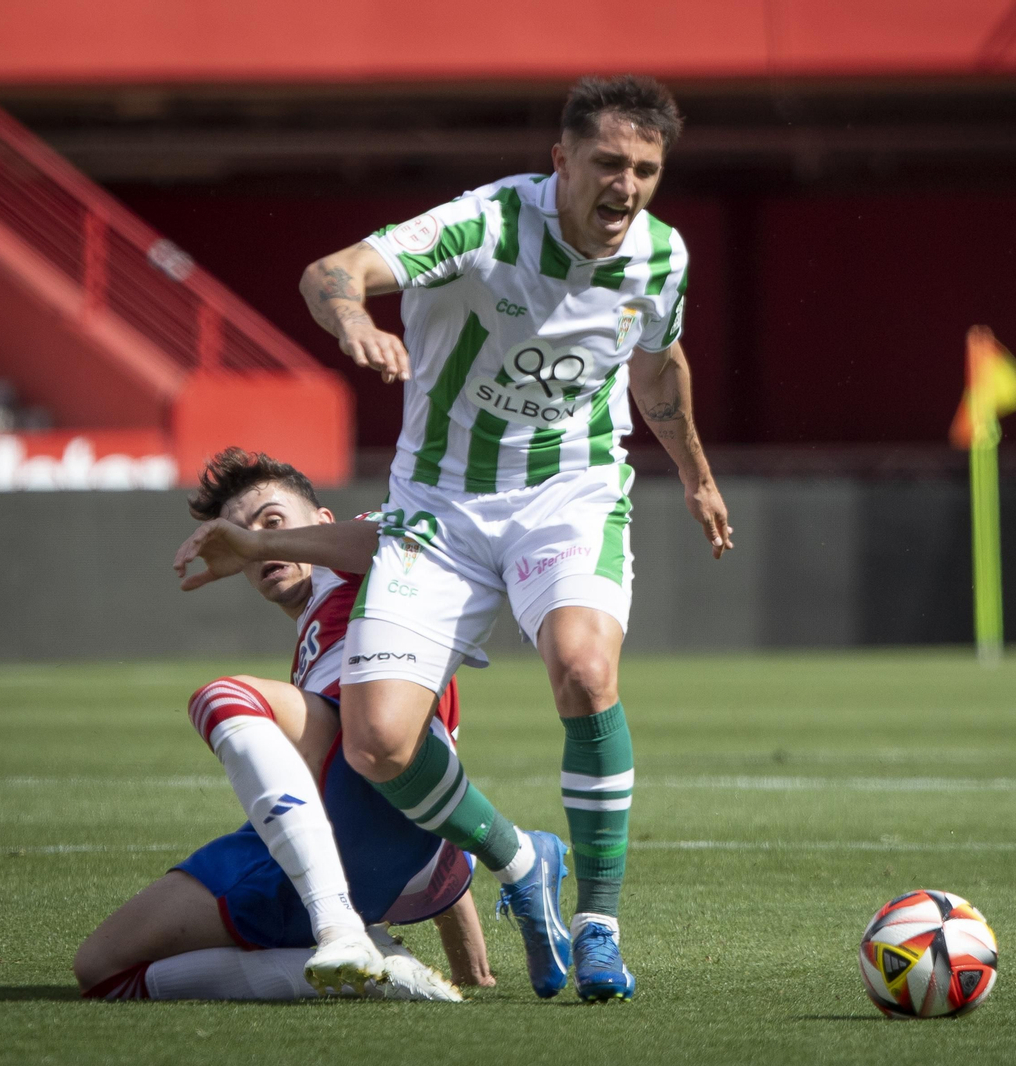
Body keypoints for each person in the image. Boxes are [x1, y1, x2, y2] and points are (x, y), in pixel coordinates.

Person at [196, 74, 729, 1003]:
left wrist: (694, 470)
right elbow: (331, 271)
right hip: (437, 509)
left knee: (584, 669)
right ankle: (524, 863)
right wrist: (356, 317)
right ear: (560, 161)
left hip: (569, 493)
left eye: (646, 169)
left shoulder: (660, 256)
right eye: (607, 163)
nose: (627, 185)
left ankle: (599, 924)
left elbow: (658, 363)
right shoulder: (483, 225)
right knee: (378, 744)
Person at [75, 449, 490, 1001]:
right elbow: (437, 807)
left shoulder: (366, 571)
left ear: (321, 523)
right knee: (102, 972)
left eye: (272, 522)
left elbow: (405, 542)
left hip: (360, 808)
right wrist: (470, 968)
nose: (258, 545)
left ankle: (340, 928)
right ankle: (377, 969)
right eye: (241, 539)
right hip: (354, 850)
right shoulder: (316, 650)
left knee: (223, 698)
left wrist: (269, 541)